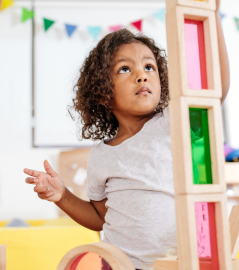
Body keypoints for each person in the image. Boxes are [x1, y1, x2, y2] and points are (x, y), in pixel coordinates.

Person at [24, 4, 229, 269]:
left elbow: (216, 89)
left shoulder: (174, 120)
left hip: (181, 262)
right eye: (125, 69)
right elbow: (99, 217)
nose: (141, 75)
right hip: (120, 264)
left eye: (149, 67)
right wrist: (63, 196)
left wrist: (212, 17)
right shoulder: (101, 155)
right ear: (103, 90)